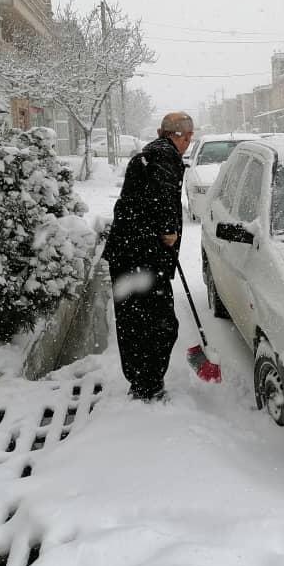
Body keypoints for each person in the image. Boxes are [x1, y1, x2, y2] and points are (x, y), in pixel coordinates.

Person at [102, 112, 194, 401]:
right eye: (188, 138)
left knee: (132, 322)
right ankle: (149, 386)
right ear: (179, 136)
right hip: (142, 256)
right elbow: (162, 195)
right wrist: (168, 231)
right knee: (159, 323)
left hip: (127, 252)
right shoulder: (166, 156)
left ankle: (142, 382)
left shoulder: (148, 154)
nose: (188, 144)